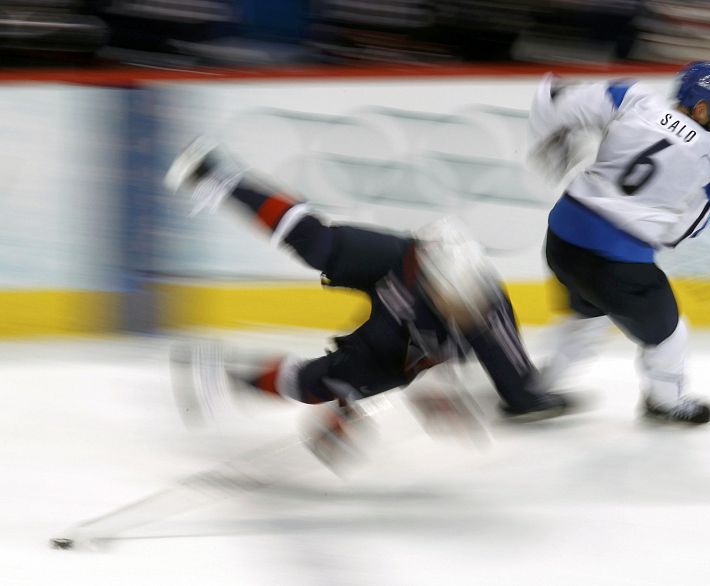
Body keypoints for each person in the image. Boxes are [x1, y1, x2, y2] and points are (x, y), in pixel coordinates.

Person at [164, 137, 570, 462]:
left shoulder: (491, 324)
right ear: (430, 275)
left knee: (317, 385)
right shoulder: (413, 261)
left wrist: (349, 409)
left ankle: (225, 376)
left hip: (393, 339)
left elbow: (520, 396)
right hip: (389, 268)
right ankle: (220, 178)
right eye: (449, 301)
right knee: (315, 242)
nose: (461, 312)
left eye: (466, 311)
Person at [526, 61, 710, 425]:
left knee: (587, 313)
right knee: (671, 335)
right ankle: (665, 402)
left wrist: (551, 137)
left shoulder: (635, 97)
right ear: (702, 107)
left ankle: (533, 389)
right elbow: (688, 227)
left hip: (563, 237)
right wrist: (651, 234)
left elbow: (553, 98)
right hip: (618, 262)